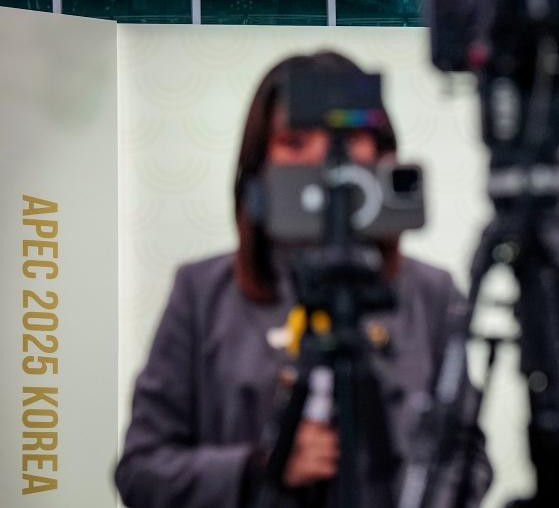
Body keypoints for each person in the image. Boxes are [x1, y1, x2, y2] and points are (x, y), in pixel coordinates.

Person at [115, 52, 492, 508]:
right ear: (258, 169)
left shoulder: (430, 294)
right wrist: (260, 467)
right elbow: (141, 472)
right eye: (294, 142)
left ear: (384, 156)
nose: (321, 162)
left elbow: (469, 461)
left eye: (349, 138)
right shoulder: (202, 292)